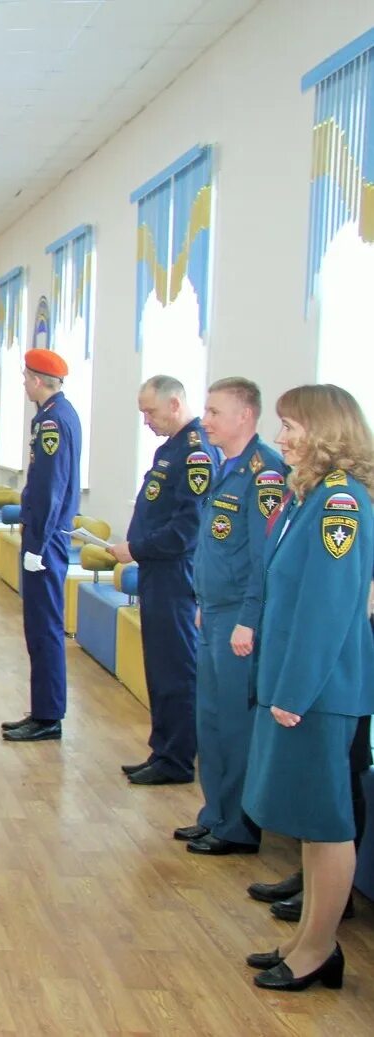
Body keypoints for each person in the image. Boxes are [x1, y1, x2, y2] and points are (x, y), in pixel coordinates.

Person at [239, 384, 374, 992]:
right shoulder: (309, 496)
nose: (283, 436)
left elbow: (326, 608)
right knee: (311, 825)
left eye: (291, 426)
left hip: (320, 689)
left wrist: (292, 692)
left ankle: (319, 950)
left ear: (326, 431)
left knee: (326, 824)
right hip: (298, 685)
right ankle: (307, 940)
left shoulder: (341, 503)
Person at [177, 377, 283, 856]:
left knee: (235, 726)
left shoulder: (265, 475)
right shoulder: (227, 467)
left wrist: (247, 619)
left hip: (240, 619)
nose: (205, 420)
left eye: (215, 412)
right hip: (214, 612)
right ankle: (215, 813)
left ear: (245, 416)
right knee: (212, 720)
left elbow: (264, 559)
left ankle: (238, 827)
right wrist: (203, 603)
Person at [109, 375, 218, 785]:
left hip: (176, 575)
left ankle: (176, 760)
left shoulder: (195, 454)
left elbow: (187, 529)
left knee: (176, 669)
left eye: (150, 411)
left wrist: (135, 549)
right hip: (158, 571)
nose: (146, 421)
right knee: (159, 667)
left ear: (175, 405)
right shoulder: (171, 450)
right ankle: (162, 749)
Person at [2, 348, 81, 743]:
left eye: (25, 377)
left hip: (45, 541)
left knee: (45, 627)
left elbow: (51, 488)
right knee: (38, 626)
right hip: (43, 536)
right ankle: (43, 708)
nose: (23, 384)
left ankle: (49, 715)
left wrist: (39, 543)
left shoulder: (53, 422)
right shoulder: (55, 415)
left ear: (36, 380)